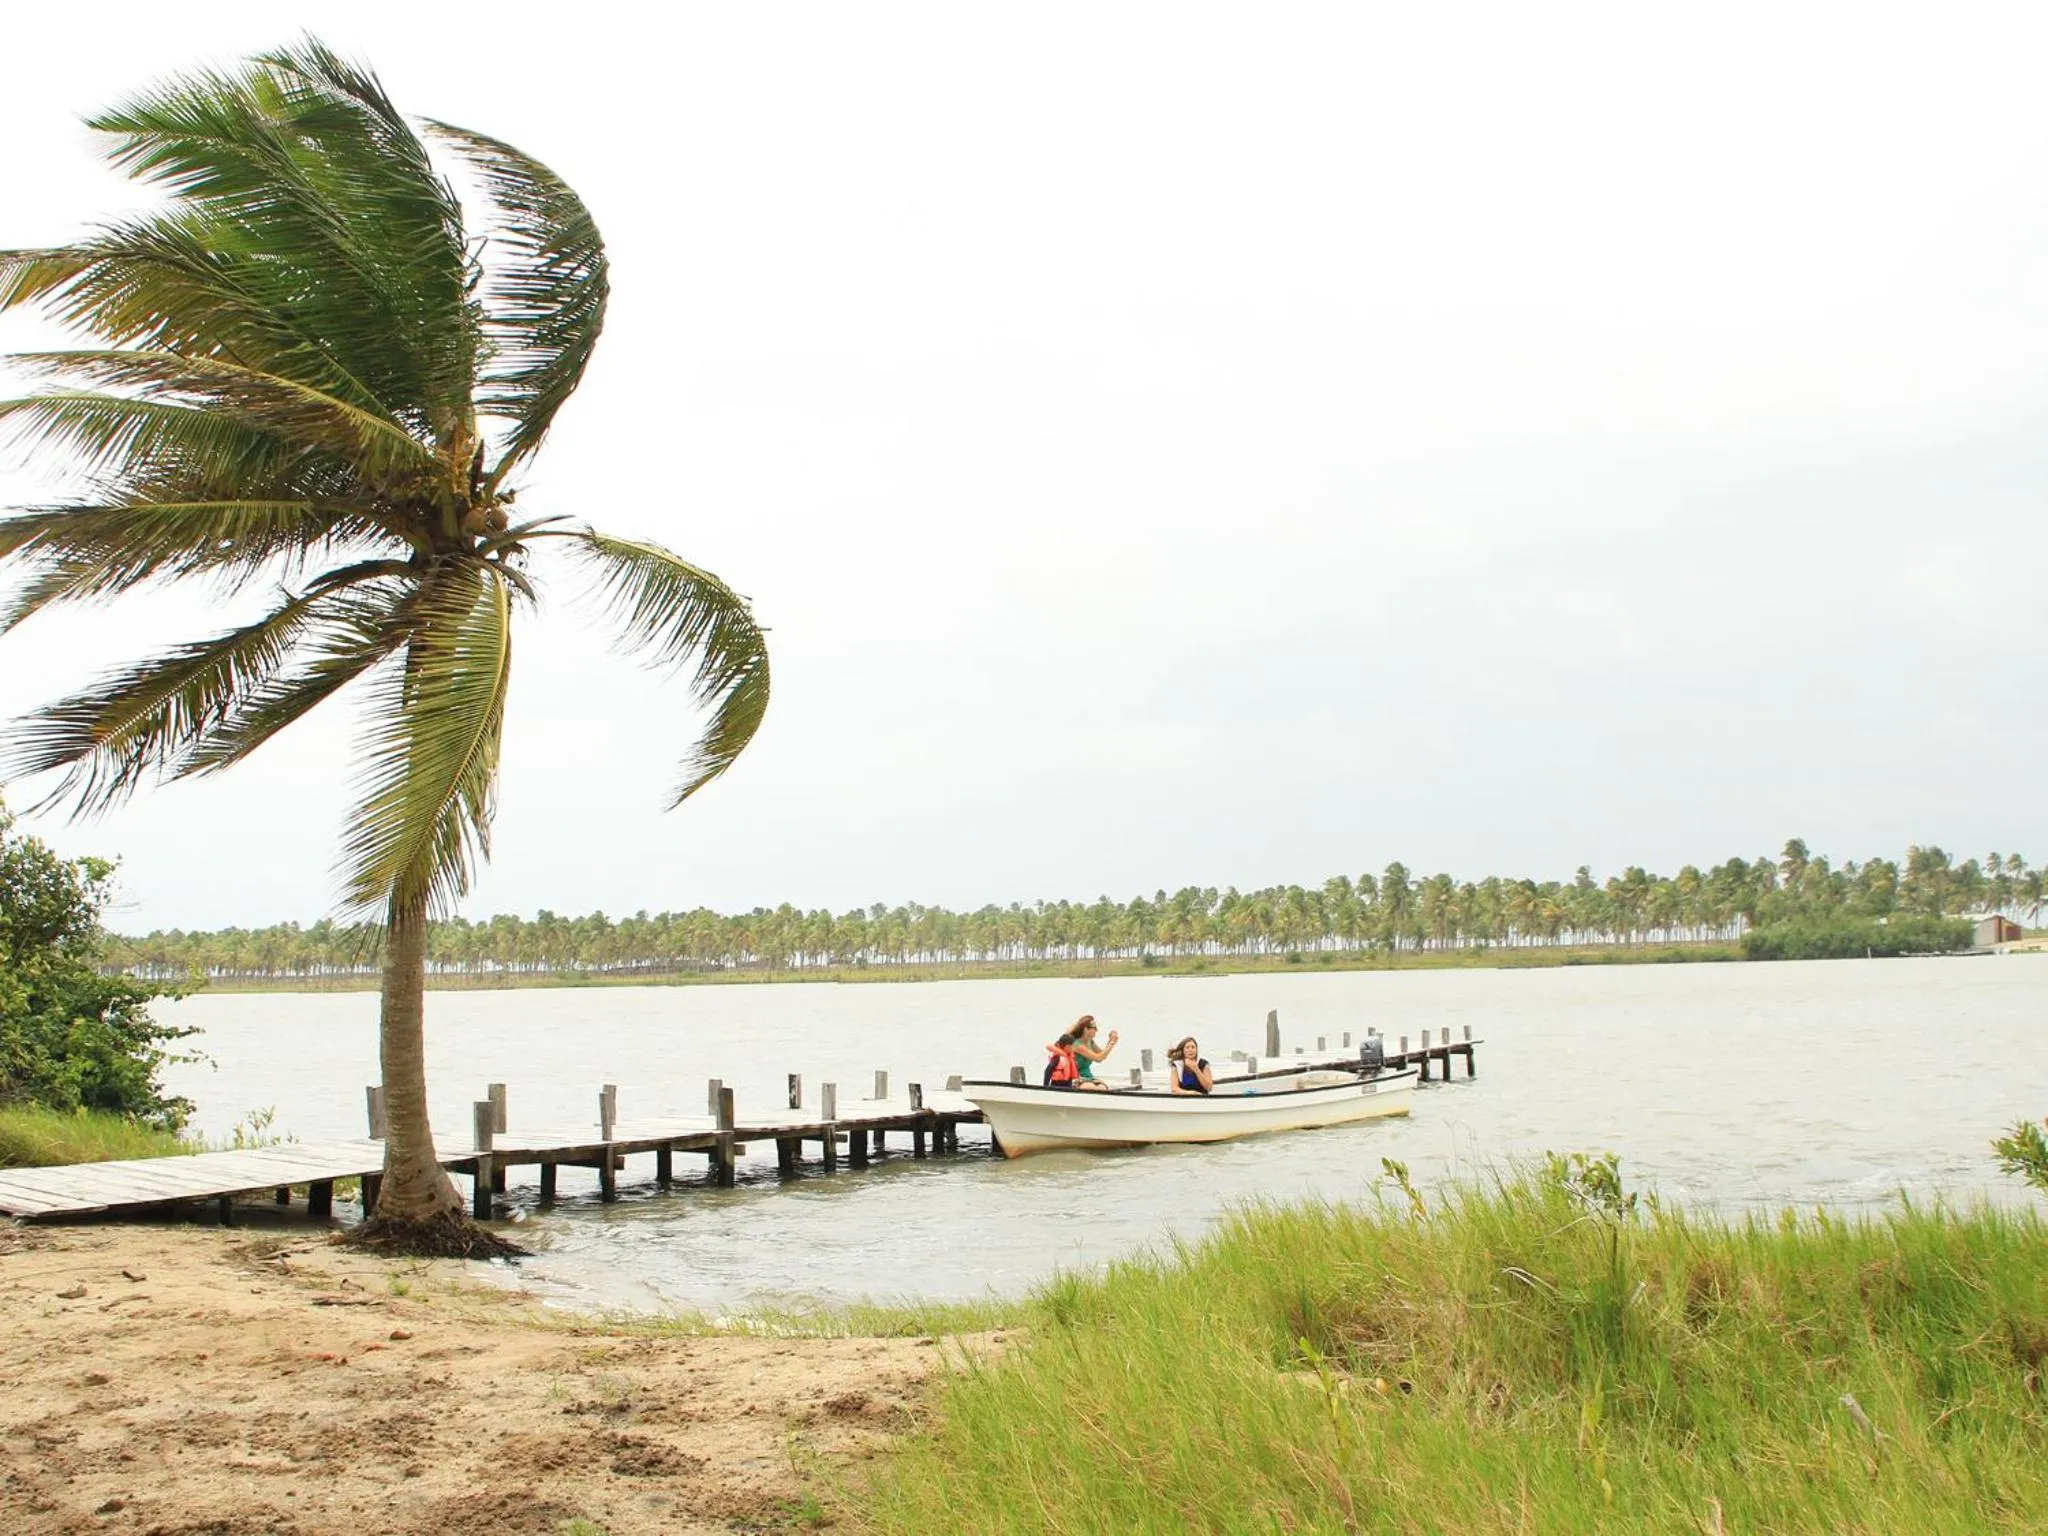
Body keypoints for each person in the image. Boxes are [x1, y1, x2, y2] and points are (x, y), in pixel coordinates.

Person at [1069, 1015, 1120, 1086]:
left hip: (1088, 1076)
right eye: (1094, 1028)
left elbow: (1102, 1054)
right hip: (1077, 1078)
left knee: (1103, 1087)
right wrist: (1112, 1043)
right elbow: (1098, 1058)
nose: (1097, 1030)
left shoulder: (1090, 1042)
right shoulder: (1077, 1045)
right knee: (1095, 1088)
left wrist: (1111, 1040)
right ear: (1085, 1029)